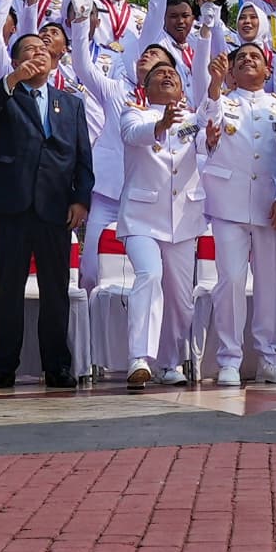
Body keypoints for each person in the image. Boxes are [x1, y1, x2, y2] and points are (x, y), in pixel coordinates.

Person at [0, 30, 93, 389]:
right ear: (15, 60)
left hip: (56, 206)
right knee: (8, 288)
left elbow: (81, 157)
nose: (38, 54)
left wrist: (81, 198)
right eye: (29, 50)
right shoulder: (7, 95)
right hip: (13, 204)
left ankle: (57, 365)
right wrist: (13, 78)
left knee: (55, 290)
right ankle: (4, 366)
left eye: (44, 49)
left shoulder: (70, 104)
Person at [199, 43, 276, 388]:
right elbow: (204, 130)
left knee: (272, 283)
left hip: (270, 206)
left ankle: (270, 358)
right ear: (231, 72)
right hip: (228, 204)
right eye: (240, 59)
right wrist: (213, 85)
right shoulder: (222, 101)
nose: (247, 61)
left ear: (268, 71)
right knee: (231, 282)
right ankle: (229, 358)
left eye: (255, 57)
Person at [116, 42, 209, 388]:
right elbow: (134, 136)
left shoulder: (193, 119)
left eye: (172, 73)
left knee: (181, 299)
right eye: (159, 74)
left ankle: (170, 363)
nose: (166, 75)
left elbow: (205, 144)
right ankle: (138, 359)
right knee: (149, 276)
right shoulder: (135, 113)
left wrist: (210, 137)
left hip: (183, 220)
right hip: (141, 217)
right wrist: (161, 124)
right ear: (146, 87)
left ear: (182, 88)